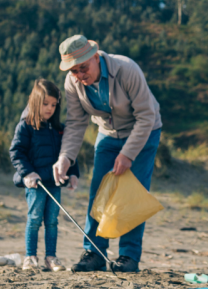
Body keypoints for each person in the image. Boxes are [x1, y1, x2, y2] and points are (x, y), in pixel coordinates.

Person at [50, 34, 163, 273]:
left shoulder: (126, 69)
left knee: (132, 195)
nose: (80, 75)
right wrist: (65, 157)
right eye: (74, 71)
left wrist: (128, 155)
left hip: (143, 130)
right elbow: (76, 122)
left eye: (83, 68)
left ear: (95, 57)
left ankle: (128, 256)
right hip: (108, 134)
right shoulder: (73, 84)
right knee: (99, 192)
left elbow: (146, 116)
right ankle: (95, 252)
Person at [9, 79, 81, 271]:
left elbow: (69, 152)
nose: (49, 109)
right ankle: (30, 257)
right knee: (34, 219)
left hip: (55, 183)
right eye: (45, 104)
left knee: (52, 221)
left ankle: (51, 258)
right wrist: (28, 173)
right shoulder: (26, 126)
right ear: (35, 102)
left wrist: (73, 173)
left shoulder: (59, 128)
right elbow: (16, 152)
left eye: (53, 105)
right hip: (35, 184)